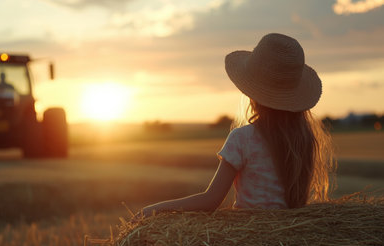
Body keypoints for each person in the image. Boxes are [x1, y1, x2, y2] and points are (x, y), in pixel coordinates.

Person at [137, 33, 335, 218]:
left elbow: (210, 200)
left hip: (251, 234)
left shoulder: (242, 138)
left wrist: (152, 210)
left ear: (252, 92)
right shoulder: (305, 138)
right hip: (290, 232)